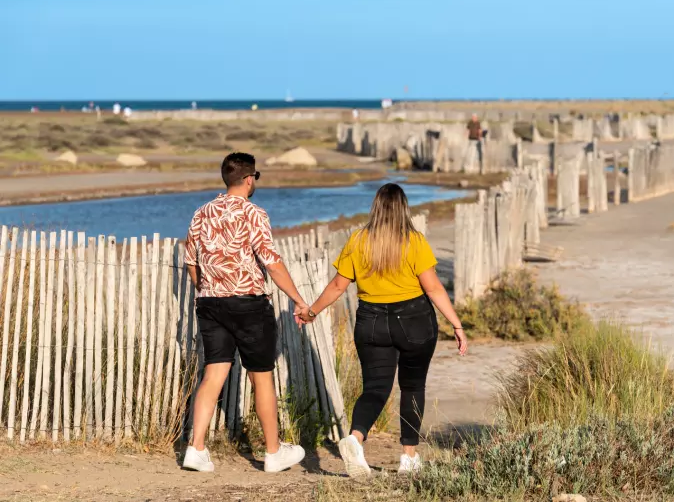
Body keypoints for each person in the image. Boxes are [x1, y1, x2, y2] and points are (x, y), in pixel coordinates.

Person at [297, 183, 467, 477]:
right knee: (412, 387)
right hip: (414, 320)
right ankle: (408, 458)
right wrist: (457, 324)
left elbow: (337, 286)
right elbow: (434, 288)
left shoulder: (358, 240)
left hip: (371, 321)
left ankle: (355, 438)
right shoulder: (414, 241)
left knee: (375, 388)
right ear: (404, 208)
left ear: (375, 207)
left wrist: (312, 311)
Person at [182, 152, 308, 473]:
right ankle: (273, 452)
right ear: (249, 179)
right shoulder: (254, 213)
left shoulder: (201, 213)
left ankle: (196, 449)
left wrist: (208, 290)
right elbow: (271, 262)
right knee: (261, 376)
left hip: (210, 303)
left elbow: (191, 263)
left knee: (213, 373)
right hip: (248, 303)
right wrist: (297, 299)